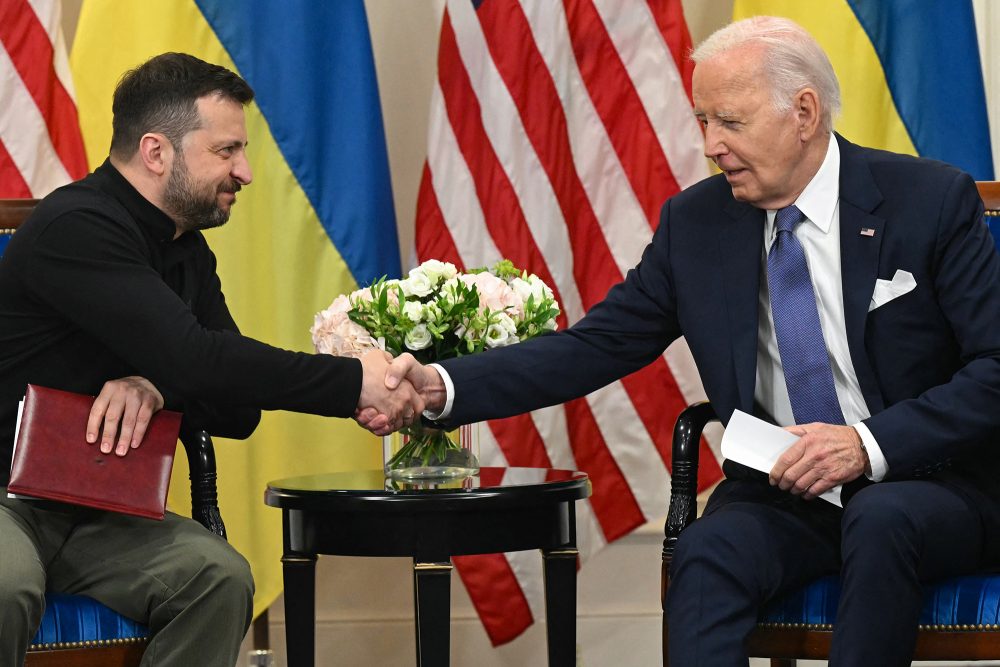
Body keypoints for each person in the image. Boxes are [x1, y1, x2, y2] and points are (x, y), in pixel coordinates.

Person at [360, 16, 1000, 666]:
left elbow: (995, 369)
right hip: (784, 495)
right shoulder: (696, 224)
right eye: (701, 121)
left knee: (881, 518)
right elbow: (592, 347)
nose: (710, 145)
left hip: (928, 484)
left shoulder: (928, 200)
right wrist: (444, 386)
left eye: (730, 122)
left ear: (804, 112)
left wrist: (864, 445)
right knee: (709, 551)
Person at [0, 53, 423, 667]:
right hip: (6, 503)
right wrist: (353, 380)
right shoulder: (77, 226)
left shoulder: (186, 252)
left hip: (95, 516)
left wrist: (151, 381)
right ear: (156, 152)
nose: (245, 171)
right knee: (7, 586)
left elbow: (234, 407)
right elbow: (200, 360)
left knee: (217, 577)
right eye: (226, 151)